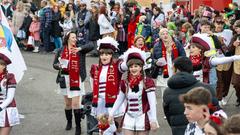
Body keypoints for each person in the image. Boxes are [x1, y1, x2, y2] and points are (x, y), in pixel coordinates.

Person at [109, 47, 159, 135]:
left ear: (141, 67)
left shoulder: (147, 82)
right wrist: (111, 113)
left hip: (143, 117)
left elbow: (152, 102)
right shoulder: (125, 82)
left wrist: (153, 119)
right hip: (129, 116)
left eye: (136, 66)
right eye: (131, 67)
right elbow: (119, 99)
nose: (133, 69)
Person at [53, 31, 93, 135]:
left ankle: (78, 126)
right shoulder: (61, 50)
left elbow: (91, 45)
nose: (75, 39)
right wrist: (59, 66)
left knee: (76, 103)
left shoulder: (80, 49)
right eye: (73, 37)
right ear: (67, 39)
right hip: (64, 78)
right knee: (68, 104)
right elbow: (54, 64)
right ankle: (69, 121)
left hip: (76, 78)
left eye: (75, 37)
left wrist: (80, 48)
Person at [163, 56, 216, 135]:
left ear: (177, 69)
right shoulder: (207, 88)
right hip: (204, 129)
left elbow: (168, 115)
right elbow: (215, 111)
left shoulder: (167, 92)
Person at [90, 36, 127, 135]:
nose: (104, 56)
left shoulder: (116, 66)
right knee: (104, 128)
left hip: (115, 101)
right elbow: (92, 84)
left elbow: (125, 66)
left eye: (107, 54)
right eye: (102, 54)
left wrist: (129, 57)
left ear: (111, 55)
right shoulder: (95, 68)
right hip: (101, 102)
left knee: (118, 127)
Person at [152, 28, 186, 97]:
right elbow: (153, 59)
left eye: (166, 33)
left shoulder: (176, 43)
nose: (165, 35)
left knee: (176, 92)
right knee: (165, 94)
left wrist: (179, 64)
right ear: (160, 36)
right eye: (162, 34)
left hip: (175, 71)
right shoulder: (156, 46)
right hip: (163, 73)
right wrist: (156, 62)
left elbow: (183, 55)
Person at [0, 53, 20, 135]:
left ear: (3, 66)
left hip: (6, 111)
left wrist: (0, 107)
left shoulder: (9, 77)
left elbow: (10, 98)